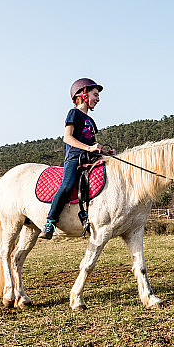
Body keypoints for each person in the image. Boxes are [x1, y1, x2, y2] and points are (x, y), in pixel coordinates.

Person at [39, 78, 113, 239]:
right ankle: (50, 222)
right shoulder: (74, 113)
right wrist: (88, 148)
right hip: (75, 159)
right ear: (83, 94)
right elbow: (67, 138)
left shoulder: (91, 121)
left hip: (90, 159)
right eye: (95, 95)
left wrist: (105, 153)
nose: (98, 99)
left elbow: (91, 142)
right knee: (66, 186)